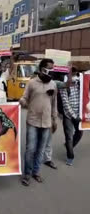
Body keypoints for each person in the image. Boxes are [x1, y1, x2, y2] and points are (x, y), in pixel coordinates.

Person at [20, 58, 58, 186]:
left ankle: (36, 172)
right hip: (32, 121)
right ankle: (27, 174)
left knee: (40, 150)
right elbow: (25, 98)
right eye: (49, 68)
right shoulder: (31, 83)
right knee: (30, 149)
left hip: (46, 122)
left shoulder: (53, 84)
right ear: (42, 69)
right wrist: (22, 102)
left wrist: (54, 119)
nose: (51, 71)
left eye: (53, 68)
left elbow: (54, 104)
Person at [60, 68, 83, 166]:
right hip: (68, 115)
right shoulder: (64, 86)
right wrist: (74, 116)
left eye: (75, 74)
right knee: (69, 136)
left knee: (79, 133)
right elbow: (65, 103)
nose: (74, 76)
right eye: (72, 74)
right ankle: (70, 156)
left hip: (79, 114)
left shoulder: (80, 84)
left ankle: (69, 146)